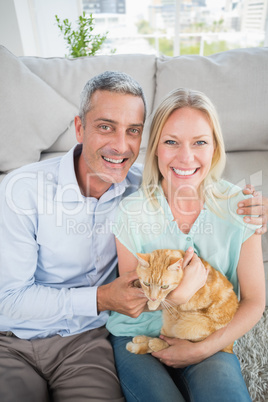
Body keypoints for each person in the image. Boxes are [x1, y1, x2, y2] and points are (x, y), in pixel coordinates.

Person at [0, 72, 266, 402]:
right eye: (105, 126)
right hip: (20, 337)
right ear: (80, 128)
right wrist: (111, 298)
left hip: (94, 341)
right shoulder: (24, 191)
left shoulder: (141, 184)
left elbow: (254, 297)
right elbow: (7, 301)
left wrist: (256, 208)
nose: (120, 145)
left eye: (133, 131)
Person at [106, 88, 266, 402]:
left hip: (205, 335)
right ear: (154, 149)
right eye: (171, 142)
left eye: (200, 142)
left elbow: (255, 301)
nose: (185, 157)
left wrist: (205, 348)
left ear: (215, 148)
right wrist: (178, 295)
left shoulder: (242, 207)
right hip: (138, 334)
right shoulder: (131, 212)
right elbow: (134, 304)